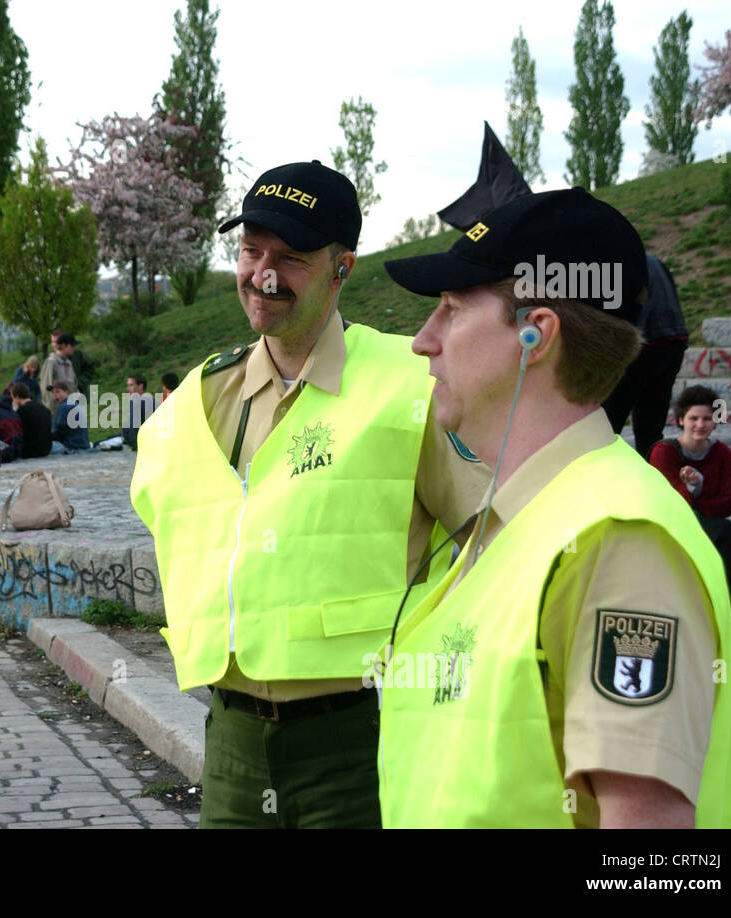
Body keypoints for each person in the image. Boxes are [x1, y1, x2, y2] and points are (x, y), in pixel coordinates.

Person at [130, 161, 487, 828]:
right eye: (249, 250)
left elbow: (489, 548)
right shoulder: (202, 396)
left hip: (358, 736)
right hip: (232, 736)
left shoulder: (409, 387)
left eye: (290, 258)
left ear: (342, 268)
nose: (262, 274)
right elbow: (166, 506)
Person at [377, 187, 731, 828]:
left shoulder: (618, 542)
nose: (422, 341)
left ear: (535, 333)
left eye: (450, 309)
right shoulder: (529, 514)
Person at [650, 385, 731, 659]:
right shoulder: (664, 452)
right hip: (672, 526)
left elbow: (726, 504)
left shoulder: (722, 453)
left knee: (730, 537)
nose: (700, 425)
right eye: (693, 418)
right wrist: (695, 492)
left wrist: (695, 491)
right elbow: (670, 505)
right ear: (681, 420)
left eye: (706, 419)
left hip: (714, 526)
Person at [602, 254, 689, 458]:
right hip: (672, 340)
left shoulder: (618, 261)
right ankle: (650, 476)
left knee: (606, 425)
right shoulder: (653, 259)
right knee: (650, 428)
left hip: (640, 344)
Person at [11, 382, 52, 458]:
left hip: (30, 452)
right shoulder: (44, 409)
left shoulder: (21, 411)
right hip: (46, 450)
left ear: (16, 396)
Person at [49, 381, 90, 453]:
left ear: (66, 392)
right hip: (83, 444)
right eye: (53, 393)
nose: (55, 395)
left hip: (71, 447)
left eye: (58, 392)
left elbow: (60, 431)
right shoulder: (75, 403)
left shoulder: (64, 406)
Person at [40, 333, 78, 405]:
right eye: (72, 345)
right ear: (63, 345)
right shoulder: (51, 362)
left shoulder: (69, 363)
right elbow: (47, 388)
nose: (74, 348)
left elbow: (74, 386)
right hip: (57, 409)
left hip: (70, 408)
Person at [121, 374, 155, 450]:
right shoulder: (152, 400)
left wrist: (133, 445)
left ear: (140, 386)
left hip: (141, 445)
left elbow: (134, 428)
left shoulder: (137, 402)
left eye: (131, 385)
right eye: (128, 385)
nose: (128, 388)